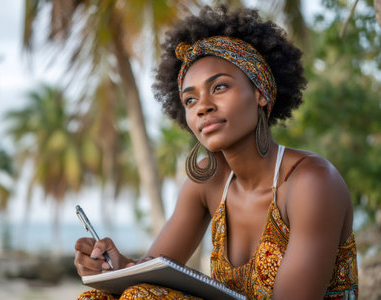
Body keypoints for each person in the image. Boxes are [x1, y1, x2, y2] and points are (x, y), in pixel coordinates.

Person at [74, 5, 358, 299]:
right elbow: (150, 274)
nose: (203, 106)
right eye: (190, 99)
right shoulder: (208, 184)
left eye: (220, 87)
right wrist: (116, 267)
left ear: (261, 93)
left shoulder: (311, 182)